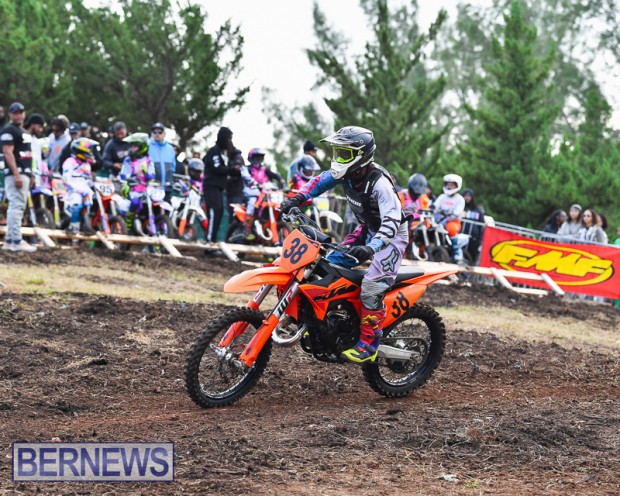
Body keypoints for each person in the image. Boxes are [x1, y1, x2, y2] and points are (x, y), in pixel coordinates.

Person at [281, 126, 408, 364]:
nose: (338, 158)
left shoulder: (379, 183)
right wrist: (297, 199)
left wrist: (372, 247)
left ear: (361, 155)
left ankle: (369, 344)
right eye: (337, 152)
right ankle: (324, 322)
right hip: (367, 229)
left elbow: (392, 221)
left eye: (344, 154)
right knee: (326, 267)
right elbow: (318, 182)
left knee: (371, 286)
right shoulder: (346, 173)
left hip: (391, 237)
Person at [1, 102, 37, 252]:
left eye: (20, 112)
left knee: (17, 206)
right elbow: (8, 152)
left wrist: (31, 173)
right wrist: (16, 174)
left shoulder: (24, 132)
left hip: (25, 172)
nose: (18, 115)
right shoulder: (9, 130)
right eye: (15, 113)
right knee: (16, 206)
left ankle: (10, 240)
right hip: (16, 174)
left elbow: (28, 155)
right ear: (10, 114)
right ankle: (16, 240)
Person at [202, 127, 240, 243]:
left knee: (219, 212)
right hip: (211, 186)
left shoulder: (224, 153)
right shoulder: (214, 151)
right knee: (214, 211)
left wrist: (236, 171)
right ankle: (210, 241)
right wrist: (232, 169)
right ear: (223, 138)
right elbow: (217, 168)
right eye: (229, 138)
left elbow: (226, 169)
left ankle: (212, 239)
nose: (230, 141)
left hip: (219, 188)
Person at [241, 147, 285, 240]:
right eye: (257, 158)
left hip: (265, 194)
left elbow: (275, 175)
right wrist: (255, 183)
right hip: (252, 193)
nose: (259, 160)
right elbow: (247, 178)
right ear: (251, 159)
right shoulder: (247, 169)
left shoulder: (264, 169)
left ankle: (266, 223)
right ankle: (247, 230)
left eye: (261, 158)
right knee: (251, 204)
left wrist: (282, 181)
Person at [119, 133, 155, 234]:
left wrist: (147, 173)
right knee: (134, 202)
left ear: (142, 147)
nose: (132, 149)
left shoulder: (148, 160)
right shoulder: (128, 160)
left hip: (146, 189)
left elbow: (152, 175)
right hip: (132, 188)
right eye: (132, 146)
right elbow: (123, 174)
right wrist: (132, 176)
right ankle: (129, 224)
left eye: (135, 146)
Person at [62, 138, 99, 234]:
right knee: (76, 204)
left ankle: (87, 225)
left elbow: (88, 179)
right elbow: (65, 179)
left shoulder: (87, 164)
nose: (90, 152)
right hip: (73, 190)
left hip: (86, 190)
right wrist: (76, 190)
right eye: (88, 149)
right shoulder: (70, 162)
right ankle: (74, 227)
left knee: (91, 204)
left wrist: (96, 184)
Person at [433, 174, 465, 262]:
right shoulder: (442, 197)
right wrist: (432, 207)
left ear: (457, 186)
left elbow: (458, 212)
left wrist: (451, 212)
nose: (449, 186)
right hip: (440, 220)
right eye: (448, 184)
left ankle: (457, 253)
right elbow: (435, 206)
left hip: (453, 221)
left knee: (451, 229)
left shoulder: (460, 199)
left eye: (452, 185)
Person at [148, 122, 176, 195]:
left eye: (160, 132)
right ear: (151, 133)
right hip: (152, 188)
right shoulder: (147, 146)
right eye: (154, 132)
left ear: (164, 134)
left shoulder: (170, 148)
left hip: (167, 188)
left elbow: (173, 168)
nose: (157, 134)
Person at [460, 188, 486, 260]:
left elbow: (481, 225)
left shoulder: (478, 210)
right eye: (465, 196)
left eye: (469, 196)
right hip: (460, 236)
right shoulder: (460, 208)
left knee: (471, 258)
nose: (467, 198)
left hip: (473, 239)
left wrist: (480, 240)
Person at [225, 148, 245, 219]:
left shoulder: (237, 157)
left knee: (236, 215)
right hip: (230, 192)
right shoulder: (228, 158)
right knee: (231, 215)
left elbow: (238, 170)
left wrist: (228, 176)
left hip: (237, 192)